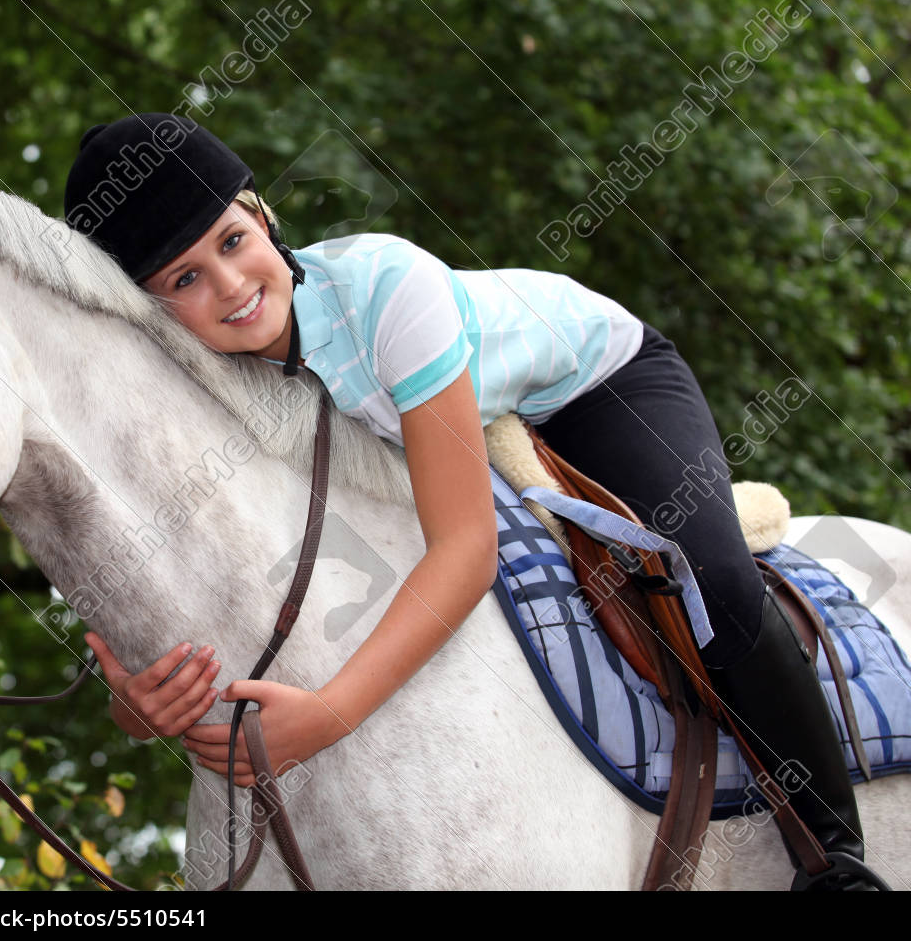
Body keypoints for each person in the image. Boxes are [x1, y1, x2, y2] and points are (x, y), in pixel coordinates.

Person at [62, 112, 873, 888]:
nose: (233, 285)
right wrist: (140, 706)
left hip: (596, 388)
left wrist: (330, 714)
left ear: (264, 215)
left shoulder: (386, 285)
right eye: (186, 279)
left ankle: (837, 862)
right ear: (158, 311)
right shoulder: (212, 379)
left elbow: (467, 551)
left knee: (713, 581)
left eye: (233, 241)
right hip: (437, 425)